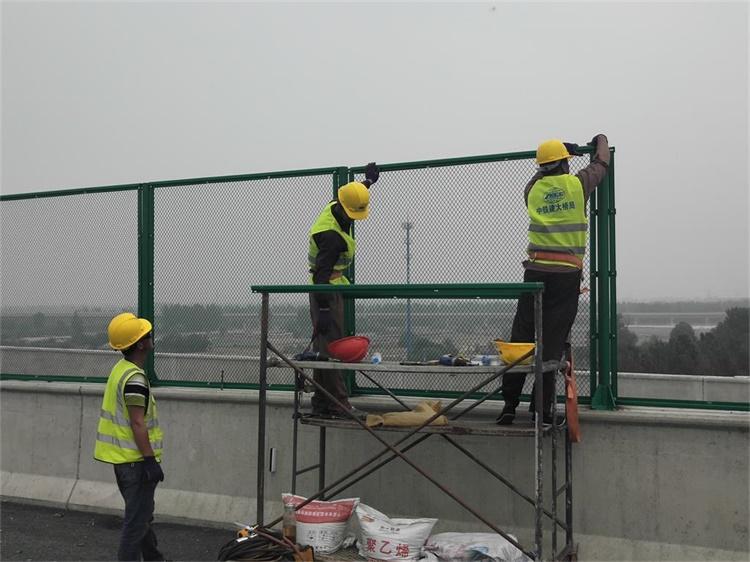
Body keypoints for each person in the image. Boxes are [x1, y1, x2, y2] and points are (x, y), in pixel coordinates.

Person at [497, 135, 610, 426]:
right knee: (552, 343)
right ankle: (541, 410)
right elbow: (601, 163)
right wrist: (600, 139)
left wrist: (556, 155)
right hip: (566, 277)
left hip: (535, 273)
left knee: (521, 340)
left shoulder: (532, 191)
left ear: (541, 167)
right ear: (563, 164)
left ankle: (509, 404)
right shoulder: (577, 185)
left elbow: (539, 176)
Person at [307, 162, 380, 418]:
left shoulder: (335, 205)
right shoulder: (330, 236)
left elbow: (351, 195)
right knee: (334, 350)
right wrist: (325, 309)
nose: (353, 217)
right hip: (326, 291)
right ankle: (339, 404)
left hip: (333, 288)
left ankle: (321, 402)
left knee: (324, 349)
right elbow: (321, 276)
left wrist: (368, 182)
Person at [94, 312, 165, 561]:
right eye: (146, 334)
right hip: (136, 463)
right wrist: (150, 460)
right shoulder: (135, 378)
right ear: (140, 344)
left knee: (141, 517)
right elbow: (137, 422)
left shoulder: (120, 370)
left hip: (124, 462)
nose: (150, 336)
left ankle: (154, 558)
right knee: (135, 525)